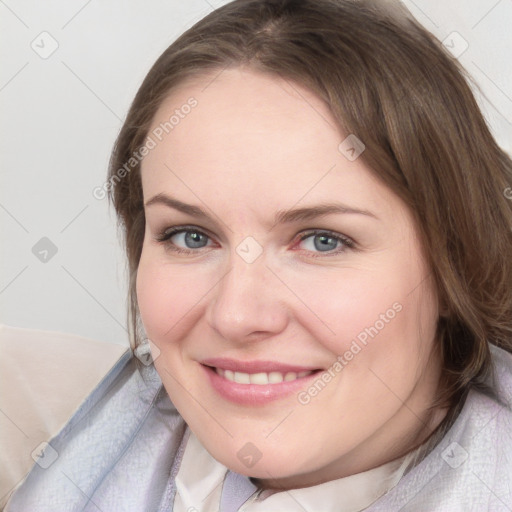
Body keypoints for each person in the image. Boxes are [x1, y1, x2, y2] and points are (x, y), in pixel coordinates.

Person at [5, 0, 512, 510]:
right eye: (191, 236)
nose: (236, 315)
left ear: (456, 263)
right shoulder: (37, 444)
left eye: (321, 240)